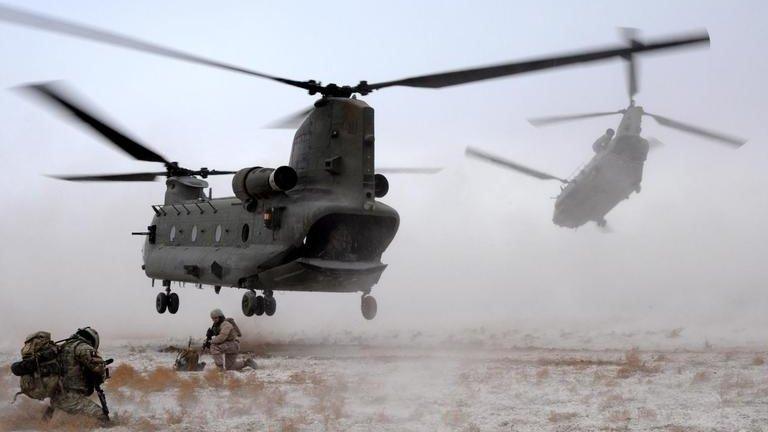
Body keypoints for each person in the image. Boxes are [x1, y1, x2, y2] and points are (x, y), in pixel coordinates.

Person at [47, 327, 108, 423]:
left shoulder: (62, 346)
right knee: (101, 417)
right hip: (71, 397)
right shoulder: (82, 347)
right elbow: (98, 369)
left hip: (56, 397)